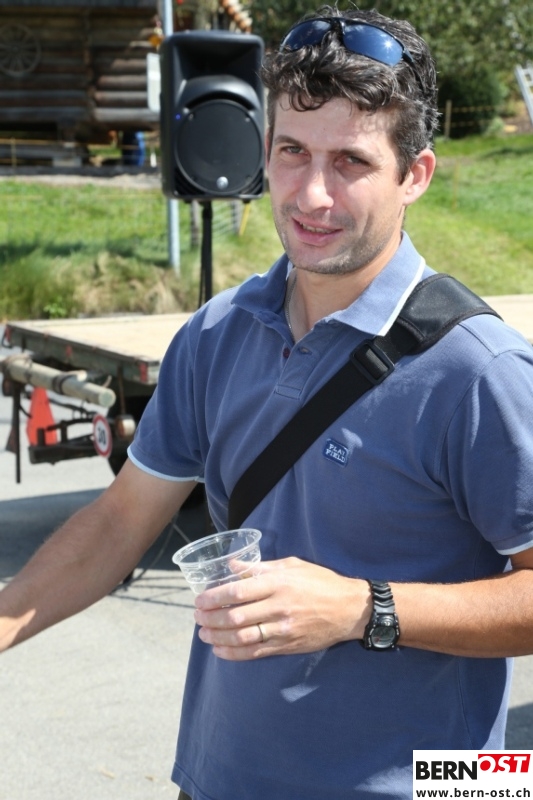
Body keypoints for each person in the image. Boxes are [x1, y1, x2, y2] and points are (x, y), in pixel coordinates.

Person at [2, 6, 533, 799]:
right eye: (292, 152)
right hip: (219, 779)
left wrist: (362, 609)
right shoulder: (216, 332)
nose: (312, 194)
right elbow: (119, 523)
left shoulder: (478, 370)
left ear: (414, 175)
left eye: (350, 161)